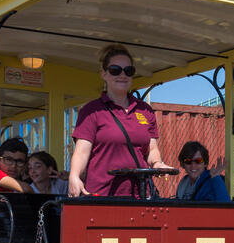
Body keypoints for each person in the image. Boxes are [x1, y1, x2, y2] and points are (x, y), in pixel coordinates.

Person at [68, 44, 172, 198]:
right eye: (115, 70)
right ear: (104, 73)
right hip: (103, 195)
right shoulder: (92, 111)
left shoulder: (145, 110)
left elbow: (151, 149)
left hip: (140, 195)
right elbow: (82, 152)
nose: (122, 75)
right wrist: (74, 176)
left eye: (128, 71)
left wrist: (157, 163)